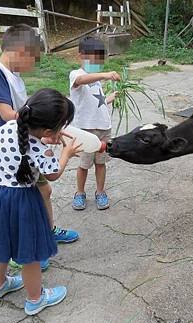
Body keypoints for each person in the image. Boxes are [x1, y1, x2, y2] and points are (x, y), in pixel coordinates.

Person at [0, 89, 83, 315]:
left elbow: (23, 147)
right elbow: (54, 172)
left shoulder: (10, 126)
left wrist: (45, 138)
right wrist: (66, 153)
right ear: (48, 130)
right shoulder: (39, 149)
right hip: (19, 201)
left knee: (0, 243)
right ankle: (35, 299)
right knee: (31, 254)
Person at [0, 24, 79, 272]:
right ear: (20, 51)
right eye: (34, 59)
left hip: (23, 147)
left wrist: (47, 131)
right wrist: (45, 131)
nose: (33, 66)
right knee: (20, 202)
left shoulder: (14, 76)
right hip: (8, 154)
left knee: (44, 191)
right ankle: (19, 251)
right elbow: (8, 114)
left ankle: (47, 232)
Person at [70, 37, 120, 211]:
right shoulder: (76, 75)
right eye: (92, 59)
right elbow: (81, 81)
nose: (96, 64)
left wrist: (109, 99)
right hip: (86, 130)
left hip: (103, 128)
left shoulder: (97, 81)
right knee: (84, 164)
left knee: (101, 162)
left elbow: (96, 102)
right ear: (80, 57)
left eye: (99, 60)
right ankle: (79, 193)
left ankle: (100, 192)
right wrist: (106, 74)